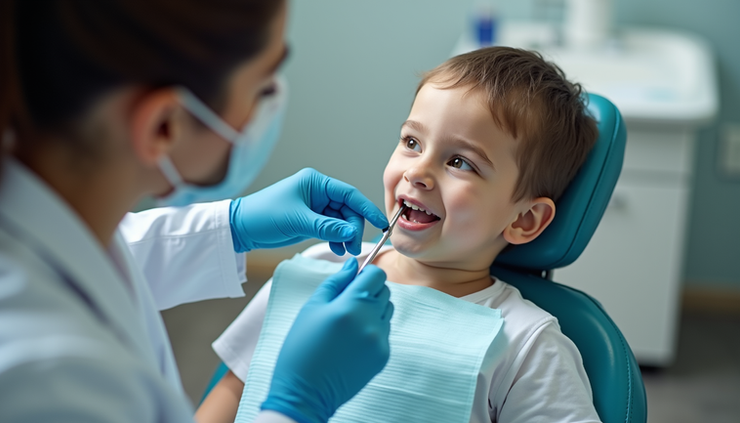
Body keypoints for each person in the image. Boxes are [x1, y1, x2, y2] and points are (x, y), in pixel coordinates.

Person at [0, 1, 395, 423]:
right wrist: (296, 406)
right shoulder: (44, 377)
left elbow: (92, 264)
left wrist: (230, 227)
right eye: (262, 87)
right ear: (165, 125)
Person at [200, 46, 603, 423]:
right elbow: (235, 388)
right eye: (412, 141)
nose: (416, 172)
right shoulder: (317, 266)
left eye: (460, 162)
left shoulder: (525, 344)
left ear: (525, 220)